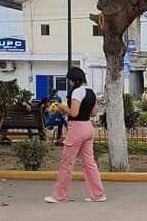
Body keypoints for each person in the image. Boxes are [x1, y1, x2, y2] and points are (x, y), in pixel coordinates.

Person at [44, 67, 106, 204]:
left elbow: (74, 113)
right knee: (90, 163)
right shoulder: (91, 91)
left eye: (70, 80)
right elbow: (94, 112)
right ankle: (98, 195)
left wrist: (61, 107)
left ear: (74, 80)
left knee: (66, 163)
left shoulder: (77, 92)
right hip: (88, 127)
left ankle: (59, 196)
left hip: (76, 128)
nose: (69, 83)